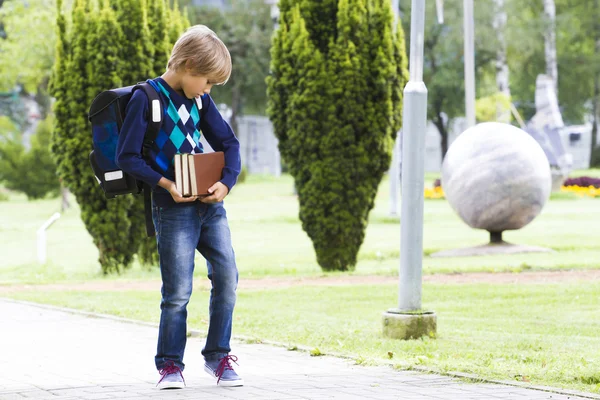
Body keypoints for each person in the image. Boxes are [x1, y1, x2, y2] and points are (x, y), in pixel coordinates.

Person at [116, 25, 242, 390]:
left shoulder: (200, 100)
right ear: (188, 65)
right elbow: (127, 156)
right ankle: (170, 365)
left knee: (227, 278)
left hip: (210, 206)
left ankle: (218, 356)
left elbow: (228, 143)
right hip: (172, 210)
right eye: (207, 81)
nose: (208, 89)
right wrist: (168, 185)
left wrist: (226, 183)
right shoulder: (147, 97)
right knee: (177, 292)